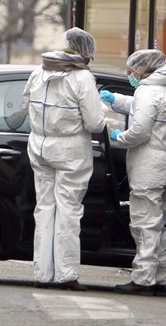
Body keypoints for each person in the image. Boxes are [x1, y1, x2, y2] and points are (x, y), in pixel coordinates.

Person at [21, 27, 105, 291]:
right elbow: (94, 123)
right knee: (68, 211)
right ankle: (67, 274)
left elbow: (26, 105)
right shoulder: (81, 78)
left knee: (44, 209)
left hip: (39, 147)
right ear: (85, 52)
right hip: (70, 153)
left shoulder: (39, 71)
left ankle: (42, 273)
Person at [100, 49, 166, 296]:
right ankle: (163, 277)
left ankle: (143, 279)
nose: (130, 74)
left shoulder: (148, 92)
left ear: (142, 69)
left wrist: (119, 136)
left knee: (144, 224)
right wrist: (114, 99)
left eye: (131, 70)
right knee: (157, 223)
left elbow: (139, 130)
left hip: (151, 165)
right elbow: (140, 108)